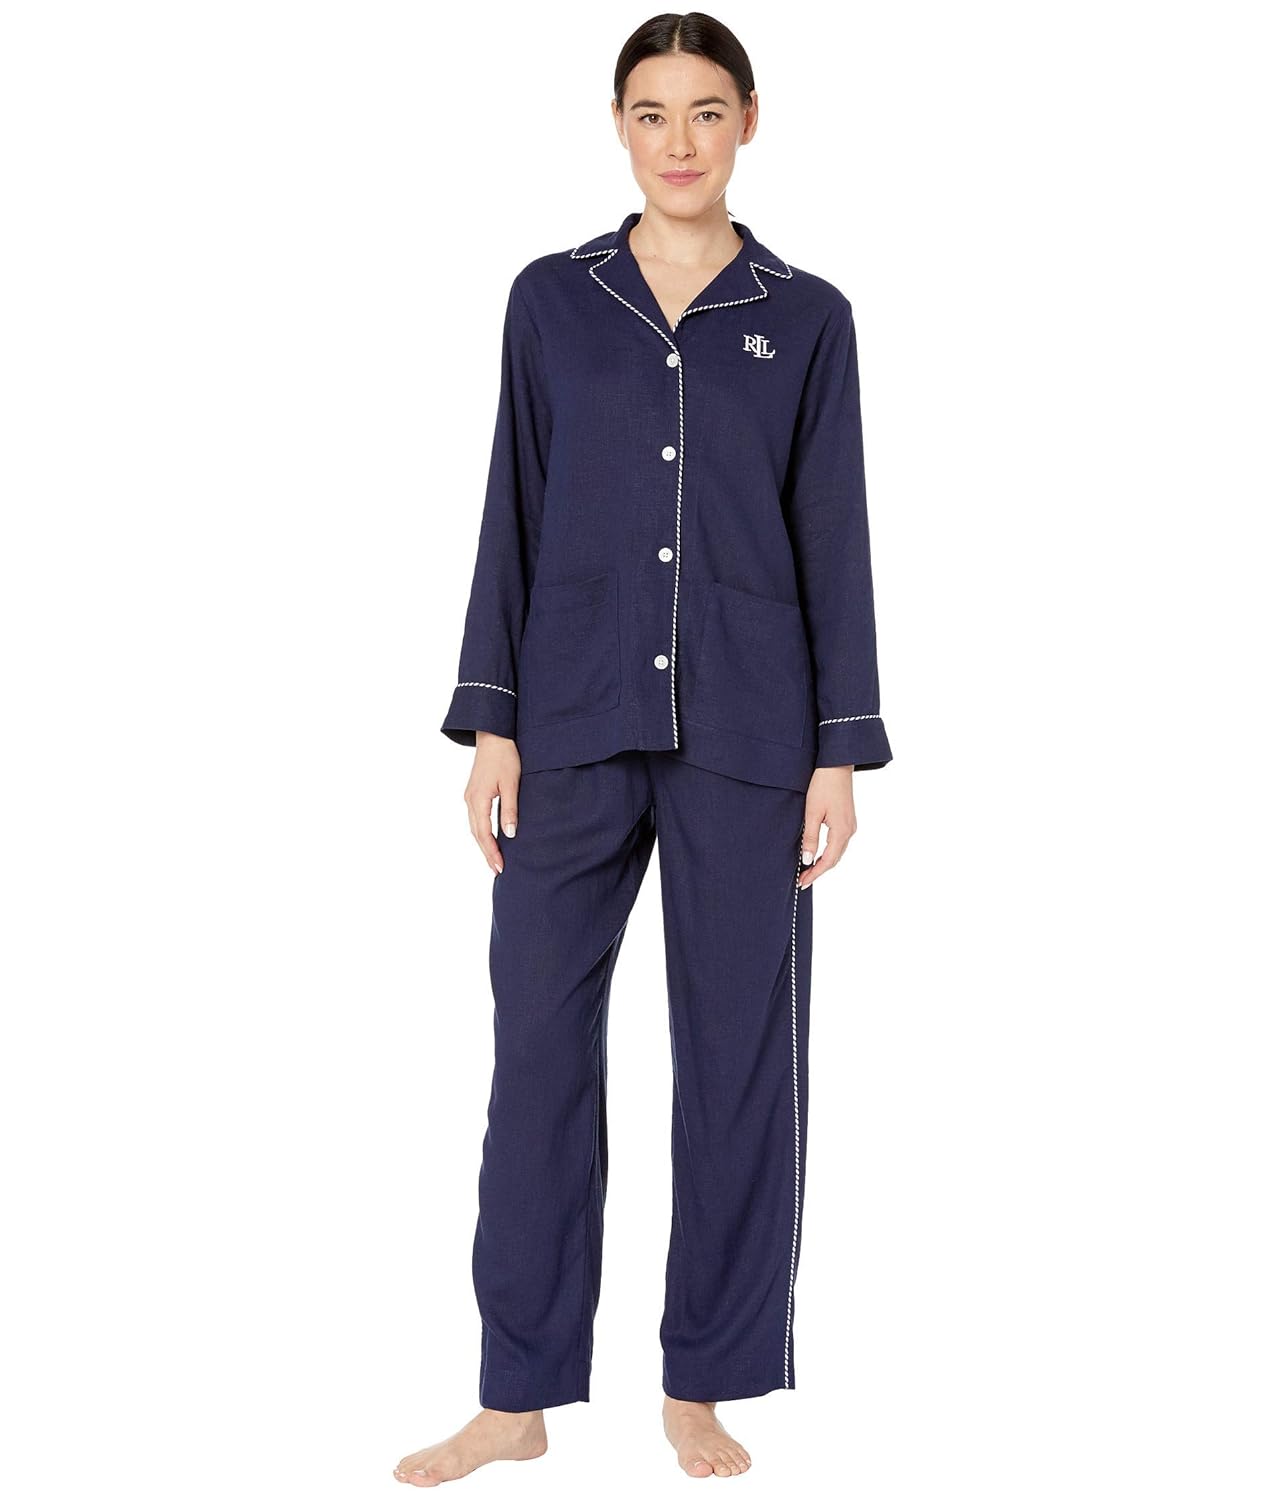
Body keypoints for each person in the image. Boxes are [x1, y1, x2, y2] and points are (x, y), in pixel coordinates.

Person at [395, 12, 892, 1487]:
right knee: (539, 1049)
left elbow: (834, 536)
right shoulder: (553, 300)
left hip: (752, 727)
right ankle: (516, 1394)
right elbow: (513, 501)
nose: (680, 142)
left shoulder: (808, 318)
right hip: (566, 717)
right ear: (618, 125)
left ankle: (704, 1383)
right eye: (653, 113)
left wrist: (837, 751)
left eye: (706, 112)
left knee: (738, 1059)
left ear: (750, 121)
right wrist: (491, 718)